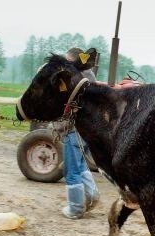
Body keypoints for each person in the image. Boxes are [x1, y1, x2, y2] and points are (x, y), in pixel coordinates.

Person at [60, 47, 100, 219]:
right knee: (81, 164)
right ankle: (91, 197)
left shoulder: (74, 78)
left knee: (71, 169)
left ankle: (75, 208)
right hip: (87, 129)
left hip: (73, 129)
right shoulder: (90, 76)